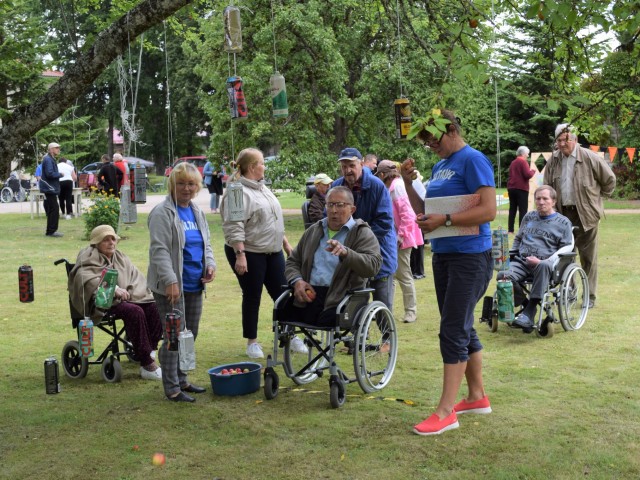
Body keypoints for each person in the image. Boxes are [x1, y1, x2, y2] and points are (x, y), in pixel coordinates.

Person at [401, 109, 496, 435]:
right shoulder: (441, 166)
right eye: (425, 142)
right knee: (460, 326)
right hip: (443, 255)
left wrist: (448, 221)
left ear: (451, 128)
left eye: (432, 139)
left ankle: (445, 412)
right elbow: (426, 212)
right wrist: (407, 183)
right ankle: (476, 397)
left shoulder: (473, 160)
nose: (430, 146)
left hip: (471, 258)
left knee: (453, 330)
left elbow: (489, 210)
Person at [219, 147, 305, 359]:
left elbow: (273, 220)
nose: (265, 166)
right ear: (252, 167)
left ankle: (289, 334)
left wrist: (285, 243)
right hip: (249, 252)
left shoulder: (262, 188)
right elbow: (234, 225)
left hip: (272, 250)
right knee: (252, 296)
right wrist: (240, 254)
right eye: (262, 163)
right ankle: (252, 342)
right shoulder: (237, 191)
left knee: (283, 292)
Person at [148, 162, 217, 403]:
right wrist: (170, 281)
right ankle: (172, 388)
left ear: (197, 186)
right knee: (174, 337)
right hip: (172, 287)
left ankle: (182, 377)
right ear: (172, 185)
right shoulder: (162, 213)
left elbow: (206, 243)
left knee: (190, 333)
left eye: (191, 184)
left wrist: (210, 264)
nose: (186, 188)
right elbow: (159, 251)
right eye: (181, 184)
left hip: (194, 284)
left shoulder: (196, 211)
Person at [68, 225, 163, 381]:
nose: (111, 242)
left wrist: (133, 293)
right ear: (96, 242)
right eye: (106, 240)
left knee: (155, 307)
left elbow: (135, 277)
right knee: (134, 311)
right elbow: (85, 279)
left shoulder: (120, 256)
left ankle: (148, 351)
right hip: (102, 303)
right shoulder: (88, 258)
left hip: (127, 298)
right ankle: (147, 364)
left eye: (113, 238)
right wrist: (113, 289)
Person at [283, 186, 382, 325]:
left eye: (340, 205)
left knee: (327, 320)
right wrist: (297, 281)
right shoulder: (313, 231)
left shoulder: (362, 233)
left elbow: (373, 266)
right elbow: (293, 261)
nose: (334, 210)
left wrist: (347, 254)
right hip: (310, 294)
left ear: (352, 209)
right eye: (330, 205)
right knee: (282, 310)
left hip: (342, 298)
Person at [543, 123, 616, 309]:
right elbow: (547, 187)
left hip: (586, 215)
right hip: (562, 215)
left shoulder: (590, 158)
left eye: (565, 139)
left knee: (588, 257)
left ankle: (590, 297)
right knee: (565, 256)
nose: (561, 144)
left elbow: (610, 181)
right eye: (558, 140)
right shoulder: (553, 161)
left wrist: (596, 201)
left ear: (574, 139)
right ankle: (570, 293)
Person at [498, 185, 573, 331]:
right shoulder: (529, 216)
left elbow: (567, 248)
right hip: (522, 261)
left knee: (544, 266)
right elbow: (518, 238)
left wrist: (546, 261)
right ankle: (527, 306)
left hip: (545, 264)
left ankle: (530, 309)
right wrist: (510, 255)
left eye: (545, 198)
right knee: (503, 275)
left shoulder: (563, 223)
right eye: (538, 198)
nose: (541, 202)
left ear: (553, 201)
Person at [332, 147, 397, 312]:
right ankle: (358, 336)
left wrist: (359, 241)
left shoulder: (377, 186)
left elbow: (385, 222)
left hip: (380, 253)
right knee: (355, 303)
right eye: (344, 167)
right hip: (350, 256)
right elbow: (329, 217)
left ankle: (387, 337)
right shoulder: (336, 187)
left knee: (382, 304)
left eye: (351, 166)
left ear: (361, 164)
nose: (348, 170)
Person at [375, 160, 424, 323]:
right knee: (392, 274)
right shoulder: (394, 186)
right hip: (397, 238)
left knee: (403, 275)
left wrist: (400, 237)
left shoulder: (396, 187)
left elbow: (408, 216)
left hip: (403, 238)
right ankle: (386, 310)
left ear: (383, 175)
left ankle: (411, 311)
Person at [507, 146, 536, 234]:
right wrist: (533, 171)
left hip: (511, 188)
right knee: (523, 209)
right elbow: (527, 175)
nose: (528, 155)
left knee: (512, 209)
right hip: (521, 188)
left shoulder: (513, 162)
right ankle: (522, 230)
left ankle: (510, 230)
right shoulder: (523, 162)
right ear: (523, 154)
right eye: (527, 153)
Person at [39, 142, 63, 237]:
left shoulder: (50, 159)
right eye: (57, 148)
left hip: (50, 187)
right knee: (54, 209)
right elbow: (49, 174)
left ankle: (50, 231)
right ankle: (51, 231)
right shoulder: (48, 160)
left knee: (52, 209)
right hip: (49, 188)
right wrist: (60, 174)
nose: (58, 150)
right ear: (51, 149)